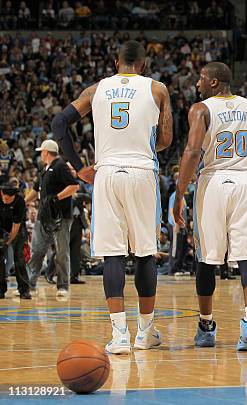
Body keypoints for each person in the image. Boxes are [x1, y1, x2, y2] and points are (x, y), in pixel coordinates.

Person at [51, 40, 173, 354]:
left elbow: (59, 124)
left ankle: (119, 335)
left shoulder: (96, 90)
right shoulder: (157, 89)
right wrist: (141, 143)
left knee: (113, 256)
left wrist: (79, 168)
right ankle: (145, 333)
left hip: (105, 173)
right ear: (143, 65)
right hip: (142, 171)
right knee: (145, 253)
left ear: (115, 63)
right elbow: (167, 139)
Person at [173, 62, 247, 351]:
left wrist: (180, 191)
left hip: (214, 180)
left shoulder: (201, 109)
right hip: (246, 179)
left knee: (206, 257)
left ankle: (206, 326)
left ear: (215, 83)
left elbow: (192, 152)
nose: (197, 84)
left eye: (202, 79)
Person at [26, 140, 79, 297]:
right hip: (44, 216)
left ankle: (63, 286)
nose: (40, 154)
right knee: (37, 250)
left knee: (62, 252)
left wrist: (57, 197)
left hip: (60, 217)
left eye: (41, 151)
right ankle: (29, 284)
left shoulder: (60, 165)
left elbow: (74, 186)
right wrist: (23, 202)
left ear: (46, 152)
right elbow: (36, 190)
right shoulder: (45, 169)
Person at [0, 178, 30, 299]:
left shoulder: (20, 201)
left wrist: (8, 242)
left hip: (16, 230)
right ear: (2, 193)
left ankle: (24, 290)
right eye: (6, 199)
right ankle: (1, 290)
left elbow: (16, 226)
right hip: (1, 228)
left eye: (10, 200)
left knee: (19, 258)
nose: (8, 202)